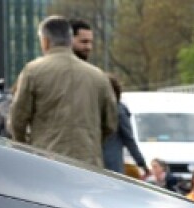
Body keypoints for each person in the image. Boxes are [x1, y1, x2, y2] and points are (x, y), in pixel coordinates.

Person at [9, 16, 117, 169]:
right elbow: (110, 123)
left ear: (45, 41)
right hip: (88, 163)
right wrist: (91, 141)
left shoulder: (33, 72)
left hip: (46, 161)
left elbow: (17, 119)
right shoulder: (98, 76)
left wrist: (25, 146)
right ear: (70, 39)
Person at [103, 74, 149, 178]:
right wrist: (141, 163)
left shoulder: (97, 109)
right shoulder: (119, 110)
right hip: (113, 163)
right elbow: (128, 139)